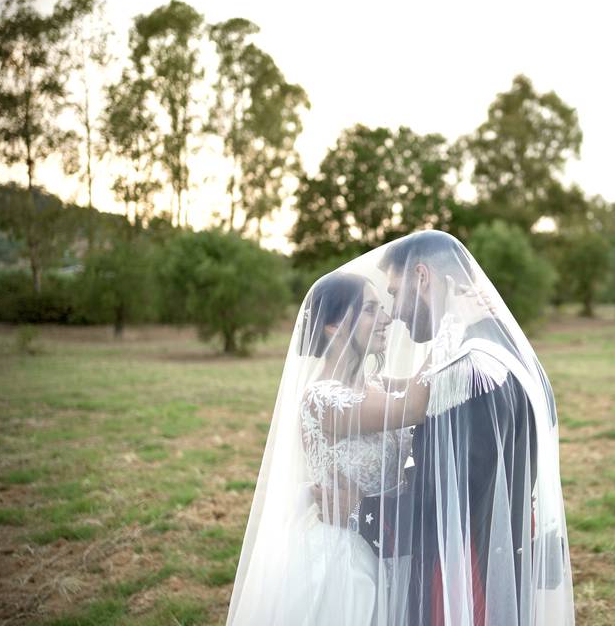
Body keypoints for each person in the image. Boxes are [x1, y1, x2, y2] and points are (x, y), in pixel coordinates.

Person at [225, 230, 574, 626]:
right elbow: (416, 408)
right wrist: (456, 326)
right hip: (350, 558)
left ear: (421, 277)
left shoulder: (467, 371)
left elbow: (447, 488)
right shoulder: (490, 361)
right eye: (374, 308)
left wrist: (361, 511)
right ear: (333, 327)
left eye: (391, 295)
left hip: (458, 567)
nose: (392, 315)